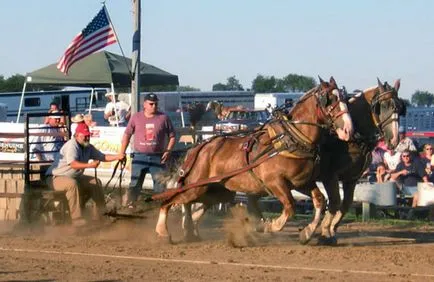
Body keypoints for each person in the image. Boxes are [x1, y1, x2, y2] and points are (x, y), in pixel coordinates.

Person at [45, 123, 125, 226]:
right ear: (77, 135)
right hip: (55, 178)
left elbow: (102, 157)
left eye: (88, 135)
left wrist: (118, 156)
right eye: (85, 135)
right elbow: (73, 164)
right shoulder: (72, 145)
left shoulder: (88, 147)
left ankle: (101, 215)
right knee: (71, 184)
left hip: (73, 177)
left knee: (95, 182)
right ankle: (76, 219)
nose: (87, 138)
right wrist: (90, 165)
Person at [119, 93, 176, 209]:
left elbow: (172, 136)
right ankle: (130, 206)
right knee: (135, 184)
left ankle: (160, 209)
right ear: (144, 104)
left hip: (158, 156)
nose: (154, 106)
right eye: (151, 104)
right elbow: (127, 135)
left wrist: (168, 150)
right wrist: (122, 152)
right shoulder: (136, 117)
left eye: (155, 104)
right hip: (139, 156)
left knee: (160, 186)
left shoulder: (163, 118)